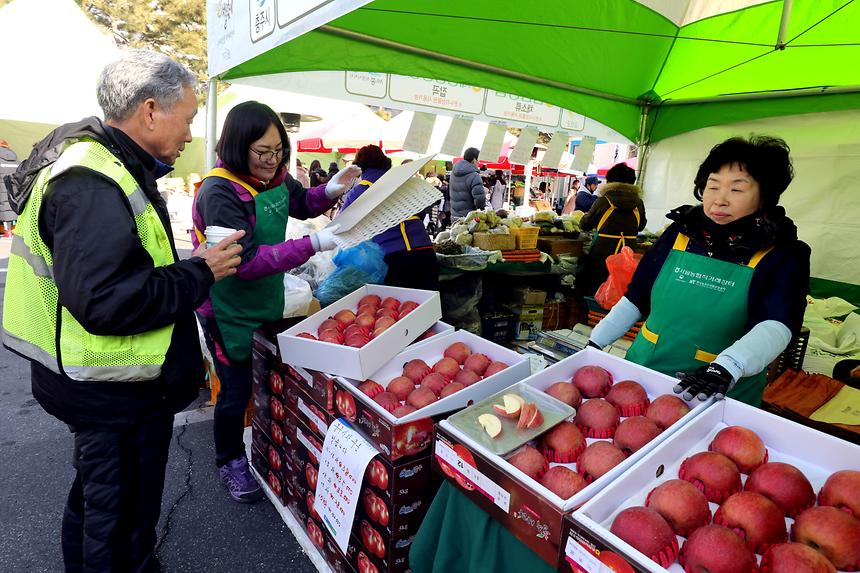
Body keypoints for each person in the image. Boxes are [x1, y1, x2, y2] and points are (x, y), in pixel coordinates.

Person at [1, 49, 244, 573]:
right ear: (151, 110)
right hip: (112, 397)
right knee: (116, 519)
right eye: (189, 116)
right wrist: (201, 271)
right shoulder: (90, 180)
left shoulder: (111, 166)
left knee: (100, 503)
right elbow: (109, 301)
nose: (189, 132)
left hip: (109, 391)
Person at [192, 101, 359, 502]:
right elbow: (244, 261)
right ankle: (229, 459)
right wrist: (311, 244)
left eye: (278, 151)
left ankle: (269, 441)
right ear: (236, 147)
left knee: (266, 375)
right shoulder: (219, 191)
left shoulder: (276, 176)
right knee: (234, 390)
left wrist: (331, 189)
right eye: (262, 153)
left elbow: (300, 201)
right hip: (226, 306)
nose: (272, 161)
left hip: (265, 298)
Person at [588, 136, 810, 407]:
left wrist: (728, 367)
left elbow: (778, 324)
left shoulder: (782, 253)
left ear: (764, 198)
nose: (720, 200)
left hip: (716, 393)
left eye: (737, 190)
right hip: (643, 379)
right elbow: (637, 296)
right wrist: (595, 342)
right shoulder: (680, 233)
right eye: (712, 186)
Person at [340, 144, 438, 290]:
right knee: (429, 306)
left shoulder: (361, 190)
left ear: (361, 166)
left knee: (398, 309)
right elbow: (421, 211)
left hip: (395, 258)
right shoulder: (403, 183)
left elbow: (341, 227)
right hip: (426, 251)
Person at [577, 163, 647, 295]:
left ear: (610, 181)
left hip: (602, 253)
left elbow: (585, 224)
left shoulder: (603, 200)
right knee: (621, 288)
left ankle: (594, 313)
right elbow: (641, 225)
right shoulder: (638, 203)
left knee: (597, 287)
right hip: (628, 251)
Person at [449, 147, 485, 218]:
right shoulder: (474, 175)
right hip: (468, 218)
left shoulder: (453, 173)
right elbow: (479, 200)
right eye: (478, 160)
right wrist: (482, 209)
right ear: (474, 160)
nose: (479, 163)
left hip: (454, 216)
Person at [0, 139, 18, 237]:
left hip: (1, 189)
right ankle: (11, 230)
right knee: (10, 207)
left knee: (4, 207)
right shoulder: (16, 160)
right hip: (13, 189)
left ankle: (7, 231)